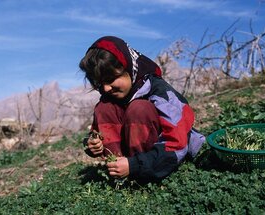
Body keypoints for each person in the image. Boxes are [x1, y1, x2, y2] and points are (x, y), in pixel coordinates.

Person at [79, 36, 205, 184]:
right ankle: (118, 173)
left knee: (139, 109)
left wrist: (134, 165)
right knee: (104, 108)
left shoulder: (161, 94)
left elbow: (176, 143)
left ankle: (141, 178)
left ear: (128, 67)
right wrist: (93, 144)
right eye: (99, 83)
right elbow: (96, 132)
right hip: (131, 163)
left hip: (162, 159)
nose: (106, 88)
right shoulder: (110, 98)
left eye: (111, 79)